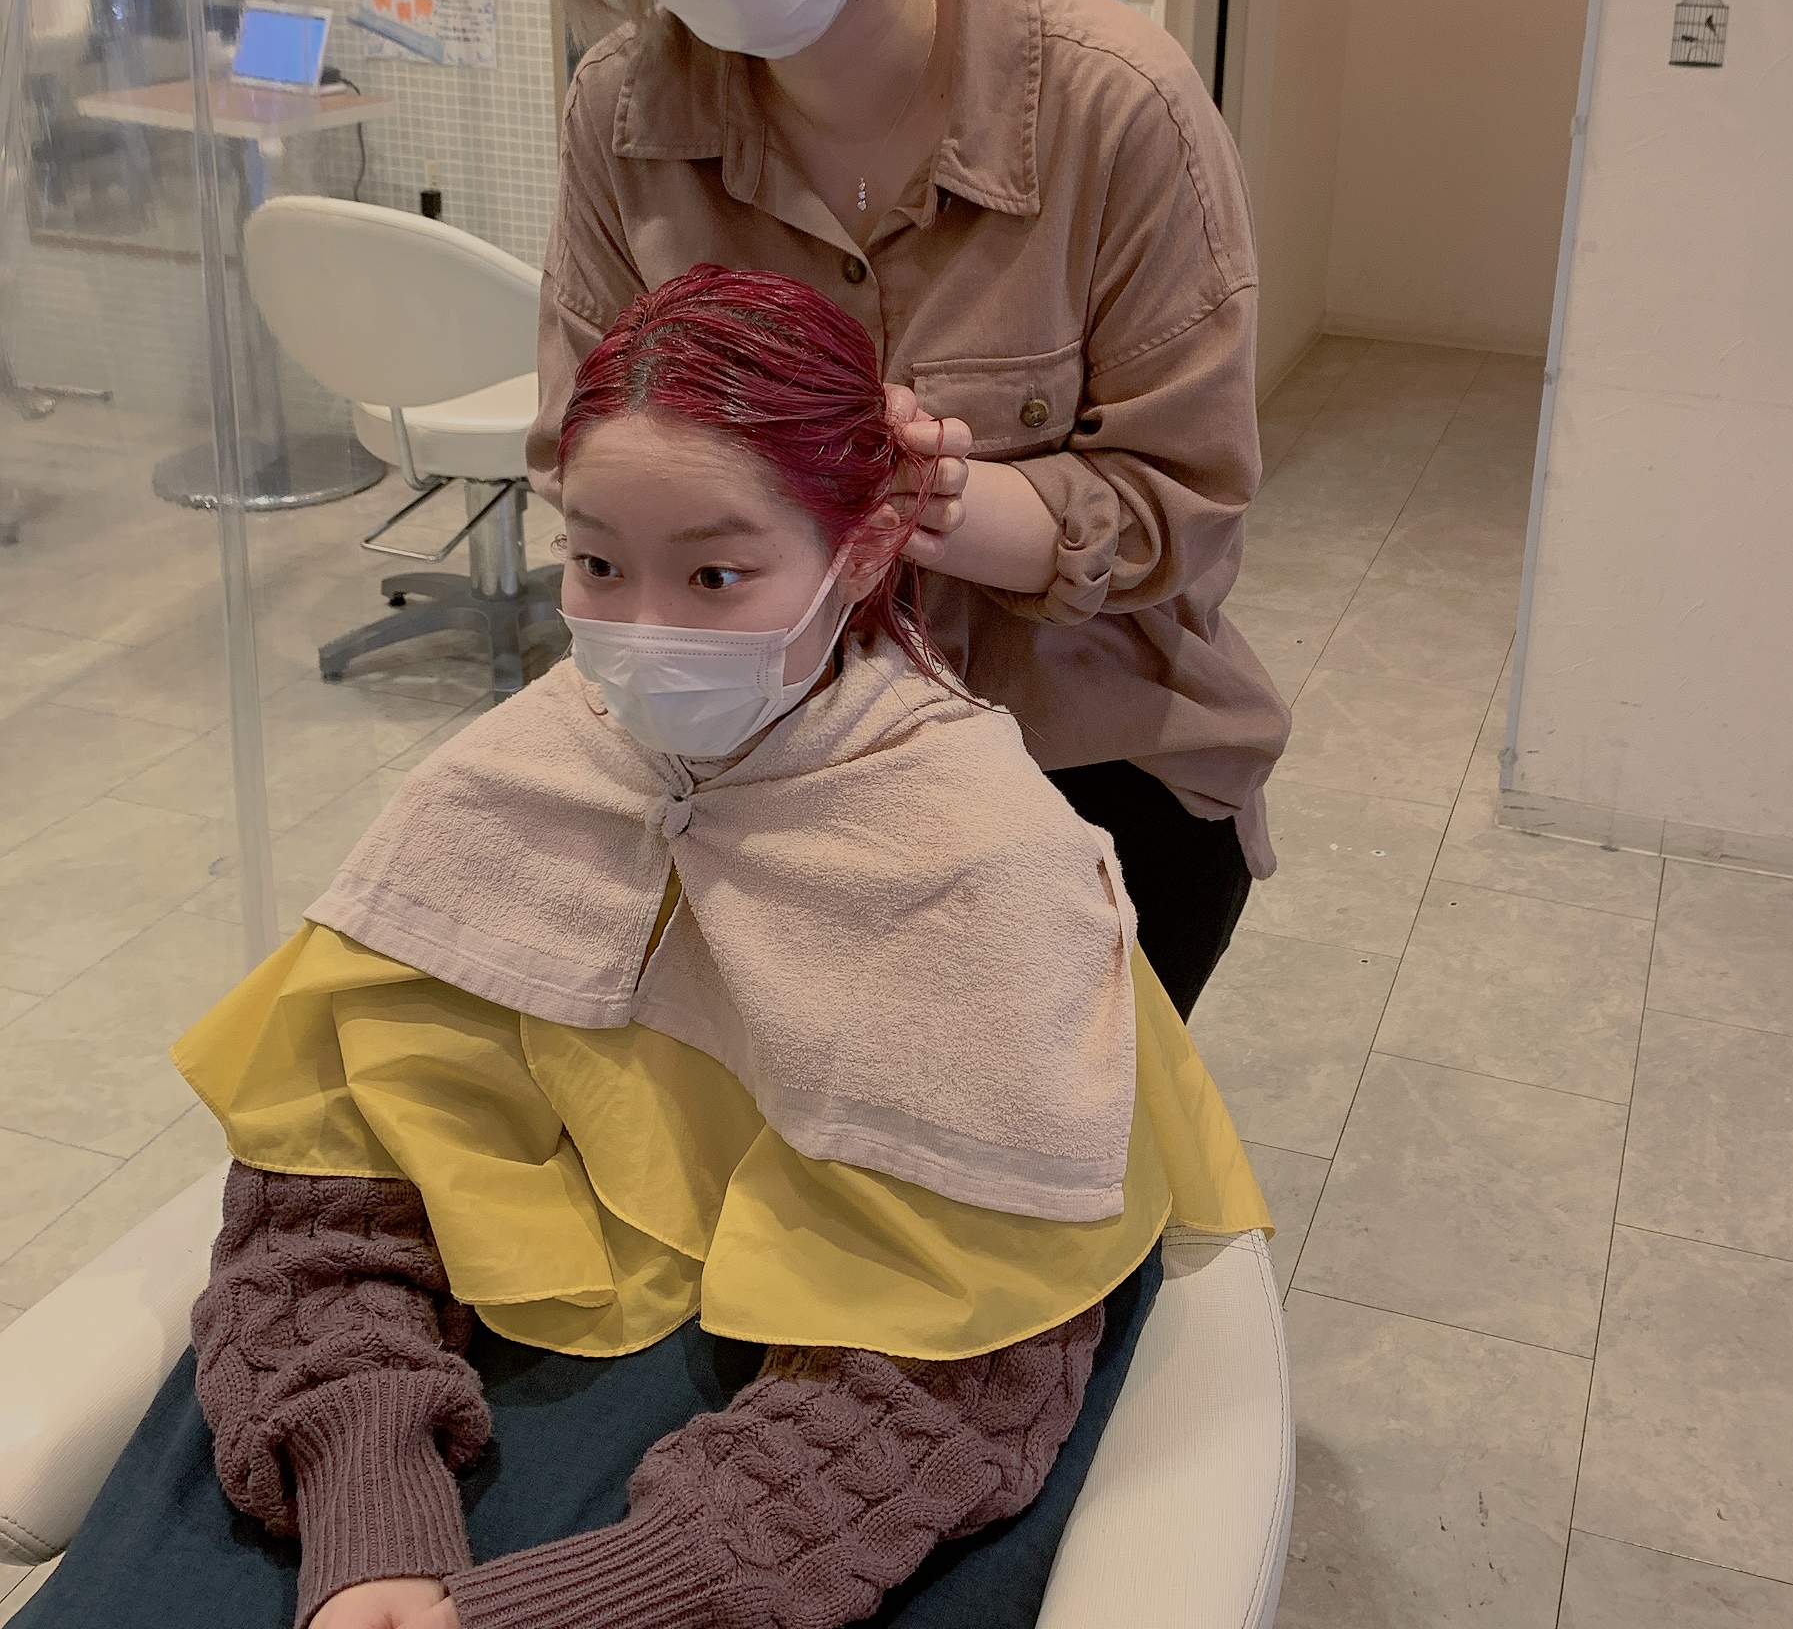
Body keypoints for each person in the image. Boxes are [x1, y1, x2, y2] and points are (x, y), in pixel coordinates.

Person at [23, 267, 1267, 1629]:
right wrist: (367, 1492)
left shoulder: (985, 862)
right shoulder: (516, 777)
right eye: (597, 563)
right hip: (445, 1358)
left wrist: (616, 1593)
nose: (639, 631)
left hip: (815, 1454)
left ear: (861, 552)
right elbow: (330, 1189)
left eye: (715, 575)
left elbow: (956, 1374)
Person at [509, 0, 1289, 1019]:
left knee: (1022, 1144)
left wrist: (936, 502)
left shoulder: (1115, 107)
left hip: (1084, 763)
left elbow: (1183, 505)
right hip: (762, 755)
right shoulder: (622, 117)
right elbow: (583, 454)